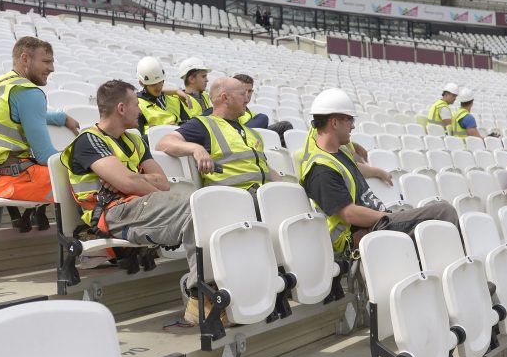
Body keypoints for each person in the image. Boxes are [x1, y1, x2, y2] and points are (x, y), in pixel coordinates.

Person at [158, 77, 274, 323]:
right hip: (234, 200)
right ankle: (199, 294)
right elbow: (163, 142)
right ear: (224, 97)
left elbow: (265, 169)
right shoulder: (204, 125)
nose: (247, 97)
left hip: (259, 197)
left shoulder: (248, 130)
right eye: (242, 93)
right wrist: (197, 149)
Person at [300, 88, 458, 258]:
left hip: (376, 223)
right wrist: (388, 216)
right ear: (335, 122)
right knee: (444, 212)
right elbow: (350, 213)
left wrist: (377, 172)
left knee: (428, 225)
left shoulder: (338, 153)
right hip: (361, 234)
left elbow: (350, 170)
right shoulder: (321, 170)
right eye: (349, 120)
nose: (353, 126)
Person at [61, 80, 194, 275]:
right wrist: (131, 181)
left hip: (139, 204)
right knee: (194, 209)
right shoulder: (89, 140)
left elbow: (162, 183)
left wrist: (134, 182)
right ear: (121, 108)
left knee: (200, 208)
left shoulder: (134, 139)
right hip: (112, 214)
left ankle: (201, 290)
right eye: (136, 104)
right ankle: (199, 292)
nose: (140, 110)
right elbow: (129, 182)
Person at [0, 36, 79, 204]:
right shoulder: (28, 92)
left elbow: (24, 116)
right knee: (89, 180)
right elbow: (46, 157)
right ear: (25, 59)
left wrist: (61, 117)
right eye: (46, 61)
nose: (52, 68)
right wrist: (90, 162)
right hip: (8, 179)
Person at [135, 56, 193, 136]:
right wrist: (164, 130)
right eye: (153, 84)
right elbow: (138, 137)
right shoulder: (137, 105)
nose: (158, 87)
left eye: (160, 82)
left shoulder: (174, 99)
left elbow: (189, 125)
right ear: (141, 83)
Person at [232, 73, 293, 145]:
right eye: (244, 91)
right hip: (237, 135)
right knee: (263, 118)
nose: (247, 95)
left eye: (250, 91)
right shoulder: (229, 107)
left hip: (252, 137)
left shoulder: (251, 113)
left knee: (284, 126)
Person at [176, 57, 213, 122]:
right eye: (203, 76)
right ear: (191, 79)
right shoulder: (179, 100)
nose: (207, 80)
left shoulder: (205, 95)